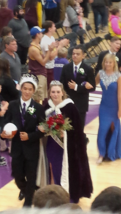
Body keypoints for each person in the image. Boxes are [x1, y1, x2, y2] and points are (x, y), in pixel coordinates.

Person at [39, 80, 93, 203]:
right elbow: (42, 123)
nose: (55, 94)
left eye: (58, 92)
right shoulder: (47, 106)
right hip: (52, 145)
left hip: (67, 147)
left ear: (62, 93)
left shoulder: (70, 107)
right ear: (49, 93)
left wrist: (65, 134)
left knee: (65, 169)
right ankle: (54, 194)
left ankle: (66, 194)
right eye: (53, 92)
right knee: (52, 168)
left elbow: (78, 130)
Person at [1, 73, 45, 206]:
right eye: (25, 88)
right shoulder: (13, 105)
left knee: (31, 177)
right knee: (17, 176)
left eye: (30, 89)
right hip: (16, 149)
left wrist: (30, 136)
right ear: (20, 88)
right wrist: (2, 133)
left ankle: (28, 203)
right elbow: (5, 122)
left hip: (32, 149)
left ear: (33, 91)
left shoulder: (38, 108)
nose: (27, 91)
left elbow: (43, 130)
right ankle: (27, 191)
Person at [60, 46, 95, 143]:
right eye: (73, 53)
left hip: (81, 104)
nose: (75, 55)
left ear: (83, 56)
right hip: (67, 103)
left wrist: (77, 87)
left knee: (79, 128)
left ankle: (80, 146)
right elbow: (61, 84)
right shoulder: (66, 68)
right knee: (67, 127)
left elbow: (93, 87)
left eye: (77, 54)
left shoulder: (88, 69)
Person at [95, 54, 121, 164]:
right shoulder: (100, 74)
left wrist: (120, 109)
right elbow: (92, 85)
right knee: (102, 130)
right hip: (103, 107)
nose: (108, 64)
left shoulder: (118, 76)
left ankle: (110, 153)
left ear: (114, 63)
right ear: (103, 63)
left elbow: (120, 94)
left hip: (114, 107)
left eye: (110, 62)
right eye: (106, 62)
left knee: (113, 129)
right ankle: (101, 153)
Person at [28, 26, 55, 103]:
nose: (42, 34)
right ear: (37, 34)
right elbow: (43, 62)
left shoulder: (37, 45)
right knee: (38, 99)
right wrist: (49, 50)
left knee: (42, 98)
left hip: (41, 74)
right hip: (37, 75)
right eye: (41, 32)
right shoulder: (33, 49)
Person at [40, 21, 69, 88]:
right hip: (48, 68)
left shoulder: (52, 38)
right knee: (50, 88)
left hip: (52, 66)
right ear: (49, 29)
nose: (55, 28)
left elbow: (54, 50)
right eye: (54, 26)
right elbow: (50, 57)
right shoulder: (45, 40)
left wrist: (61, 43)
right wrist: (60, 46)